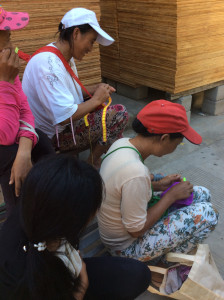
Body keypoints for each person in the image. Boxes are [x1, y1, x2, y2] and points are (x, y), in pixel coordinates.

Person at [0, 154, 151, 300]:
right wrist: (81, 288)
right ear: (70, 222)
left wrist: (75, 266)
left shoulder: (36, 207)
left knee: (137, 275)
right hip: (56, 287)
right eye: (94, 209)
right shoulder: (15, 275)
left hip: (66, 274)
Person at [97, 99, 219, 262]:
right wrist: (170, 196)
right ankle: (166, 262)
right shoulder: (136, 172)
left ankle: (168, 249)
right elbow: (136, 230)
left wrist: (158, 185)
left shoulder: (123, 143)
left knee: (201, 193)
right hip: (125, 248)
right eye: (178, 143)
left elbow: (124, 188)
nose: (177, 147)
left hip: (118, 228)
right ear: (164, 138)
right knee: (209, 214)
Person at [22, 7, 128, 168]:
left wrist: (94, 89)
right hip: (50, 138)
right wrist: (97, 98)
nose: (90, 48)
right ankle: (92, 164)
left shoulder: (58, 56)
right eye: (91, 41)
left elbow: (63, 91)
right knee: (118, 115)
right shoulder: (47, 65)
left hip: (59, 130)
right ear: (76, 33)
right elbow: (63, 116)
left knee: (115, 131)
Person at [0, 6, 55, 217]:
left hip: (11, 134)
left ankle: (45, 205)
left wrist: (24, 151)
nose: (11, 46)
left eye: (10, 37)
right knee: (8, 155)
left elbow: (25, 109)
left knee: (40, 142)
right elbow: (4, 135)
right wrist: (4, 82)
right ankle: (20, 224)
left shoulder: (7, 68)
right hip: (4, 143)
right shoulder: (6, 72)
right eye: (6, 41)